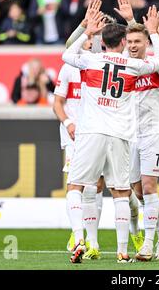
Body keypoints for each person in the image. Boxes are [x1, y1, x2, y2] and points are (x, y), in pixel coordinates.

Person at [62, 7, 159, 263]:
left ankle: (79, 238)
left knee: (75, 186)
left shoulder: (90, 60)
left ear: (101, 42)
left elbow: (67, 54)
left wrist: (87, 30)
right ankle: (122, 252)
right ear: (122, 42)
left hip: (92, 132)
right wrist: (154, 34)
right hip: (121, 135)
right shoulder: (134, 65)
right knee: (121, 192)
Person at [114, 0, 159, 261]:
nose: (132, 46)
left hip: (151, 132)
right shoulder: (124, 65)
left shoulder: (153, 64)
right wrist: (130, 20)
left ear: (147, 44)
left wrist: (157, 34)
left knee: (149, 188)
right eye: (129, 41)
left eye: (138, 41)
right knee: (136, 192)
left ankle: (148, 244)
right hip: (129, 134)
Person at [53, 19, 105, 258]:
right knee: (75, 184)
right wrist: (68, 122)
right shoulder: (70, 67)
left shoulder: (103, 65)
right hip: (74, 133)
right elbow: (57, 103)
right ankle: (78, 233)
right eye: (92, 35)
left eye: (98, 37)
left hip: (98, 130)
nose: (94, 40)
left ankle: (92, 240)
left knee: (96, 186)